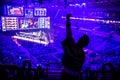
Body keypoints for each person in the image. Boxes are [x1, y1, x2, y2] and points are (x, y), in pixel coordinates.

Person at [60, 14, 89, 80]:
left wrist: (68, 20)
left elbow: (69, 34)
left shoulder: (72, 46)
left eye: (81, 38)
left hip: (66, 75)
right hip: (76, 76)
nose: (80, 38)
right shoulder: (82, 55)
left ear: (80, 40)